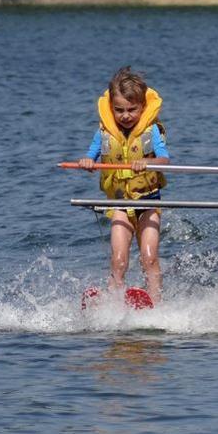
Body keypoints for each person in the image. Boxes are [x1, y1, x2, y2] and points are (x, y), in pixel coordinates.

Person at [77, 67, 170, 301]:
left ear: (142, 107)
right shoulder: (104, 132)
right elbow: (91, 155)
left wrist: (147, 163)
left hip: (148, 202)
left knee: (149, 257)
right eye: (119, 110)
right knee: (118, 260)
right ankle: (114, 301)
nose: (125, 116)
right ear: (111, 109)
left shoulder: (151, 132)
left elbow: (164, 159)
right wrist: (88, 161)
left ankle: (156, 303)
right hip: (119, 203)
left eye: (132, 110)